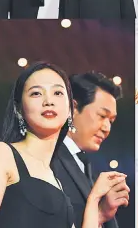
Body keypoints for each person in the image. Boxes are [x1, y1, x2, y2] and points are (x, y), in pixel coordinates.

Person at [0, 61, 124, 228]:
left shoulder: (55, 178)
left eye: (58, 93)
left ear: (70, 108)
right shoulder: (4, 153)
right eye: (36, 93)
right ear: (19, 109)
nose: (48, 101)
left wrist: (95, 202)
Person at [52, 72, 127, 228]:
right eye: (102, 116)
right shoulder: (47, 160)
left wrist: (100, 215)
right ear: (72, 109)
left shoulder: (86, 167)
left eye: (111, 121)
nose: (107, 128)